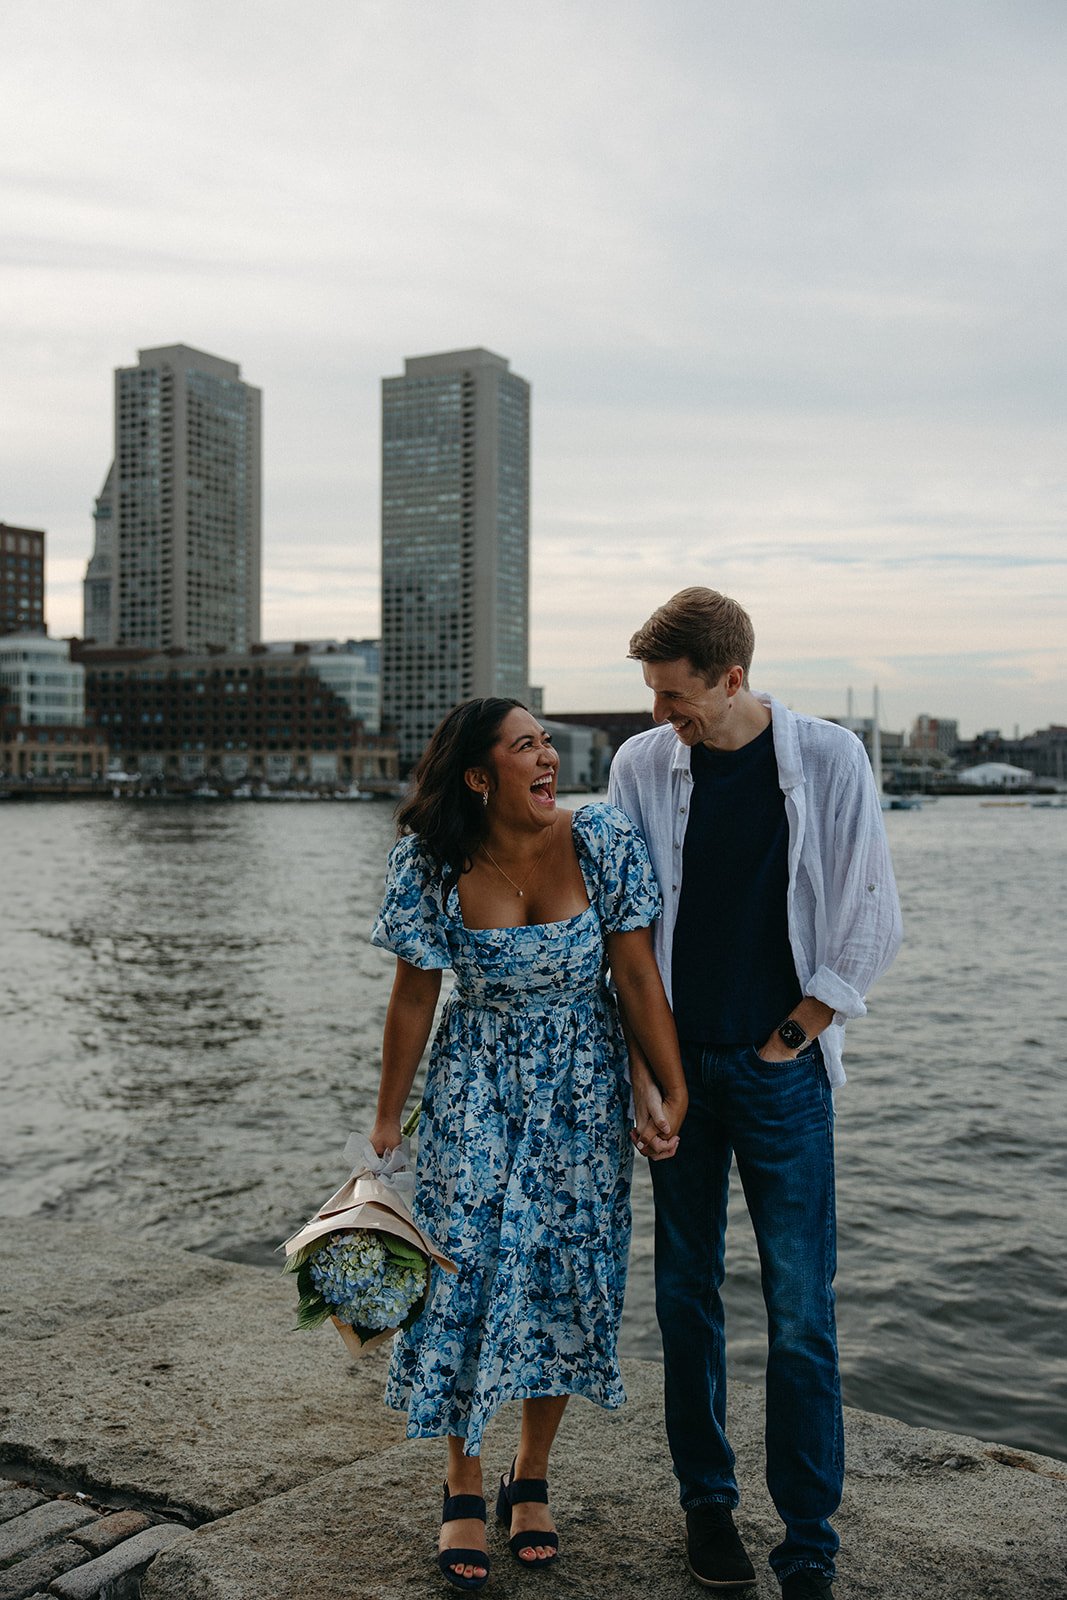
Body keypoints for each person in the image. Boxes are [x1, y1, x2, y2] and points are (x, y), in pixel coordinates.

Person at [608, 588, 902, 1600]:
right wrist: (646, 1069)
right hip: (678, 1068)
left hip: (781, 1076)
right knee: (683, 1299)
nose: (659, 715)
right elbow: (630, 928)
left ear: (732, 676)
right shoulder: (641, 766)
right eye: (652, 694)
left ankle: (807, 1548)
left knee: (800, 1315)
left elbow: (871, 911)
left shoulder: (828, 759)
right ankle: (706, 1506)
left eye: (674, 694)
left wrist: (795, 1033)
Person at [369, 697, 687, 1592]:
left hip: (582, 1094)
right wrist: (389, 1114)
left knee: (562, 1274)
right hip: (474, 1088)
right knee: (463, 1277)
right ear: (479, 775)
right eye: (525, 747)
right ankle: (462, 1478)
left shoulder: (601, 843)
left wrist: (670, 1083)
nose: (547, 758)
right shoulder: (431, 863)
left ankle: (532, 1472)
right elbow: (412, 997)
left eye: (547, 743)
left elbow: (633, 970)